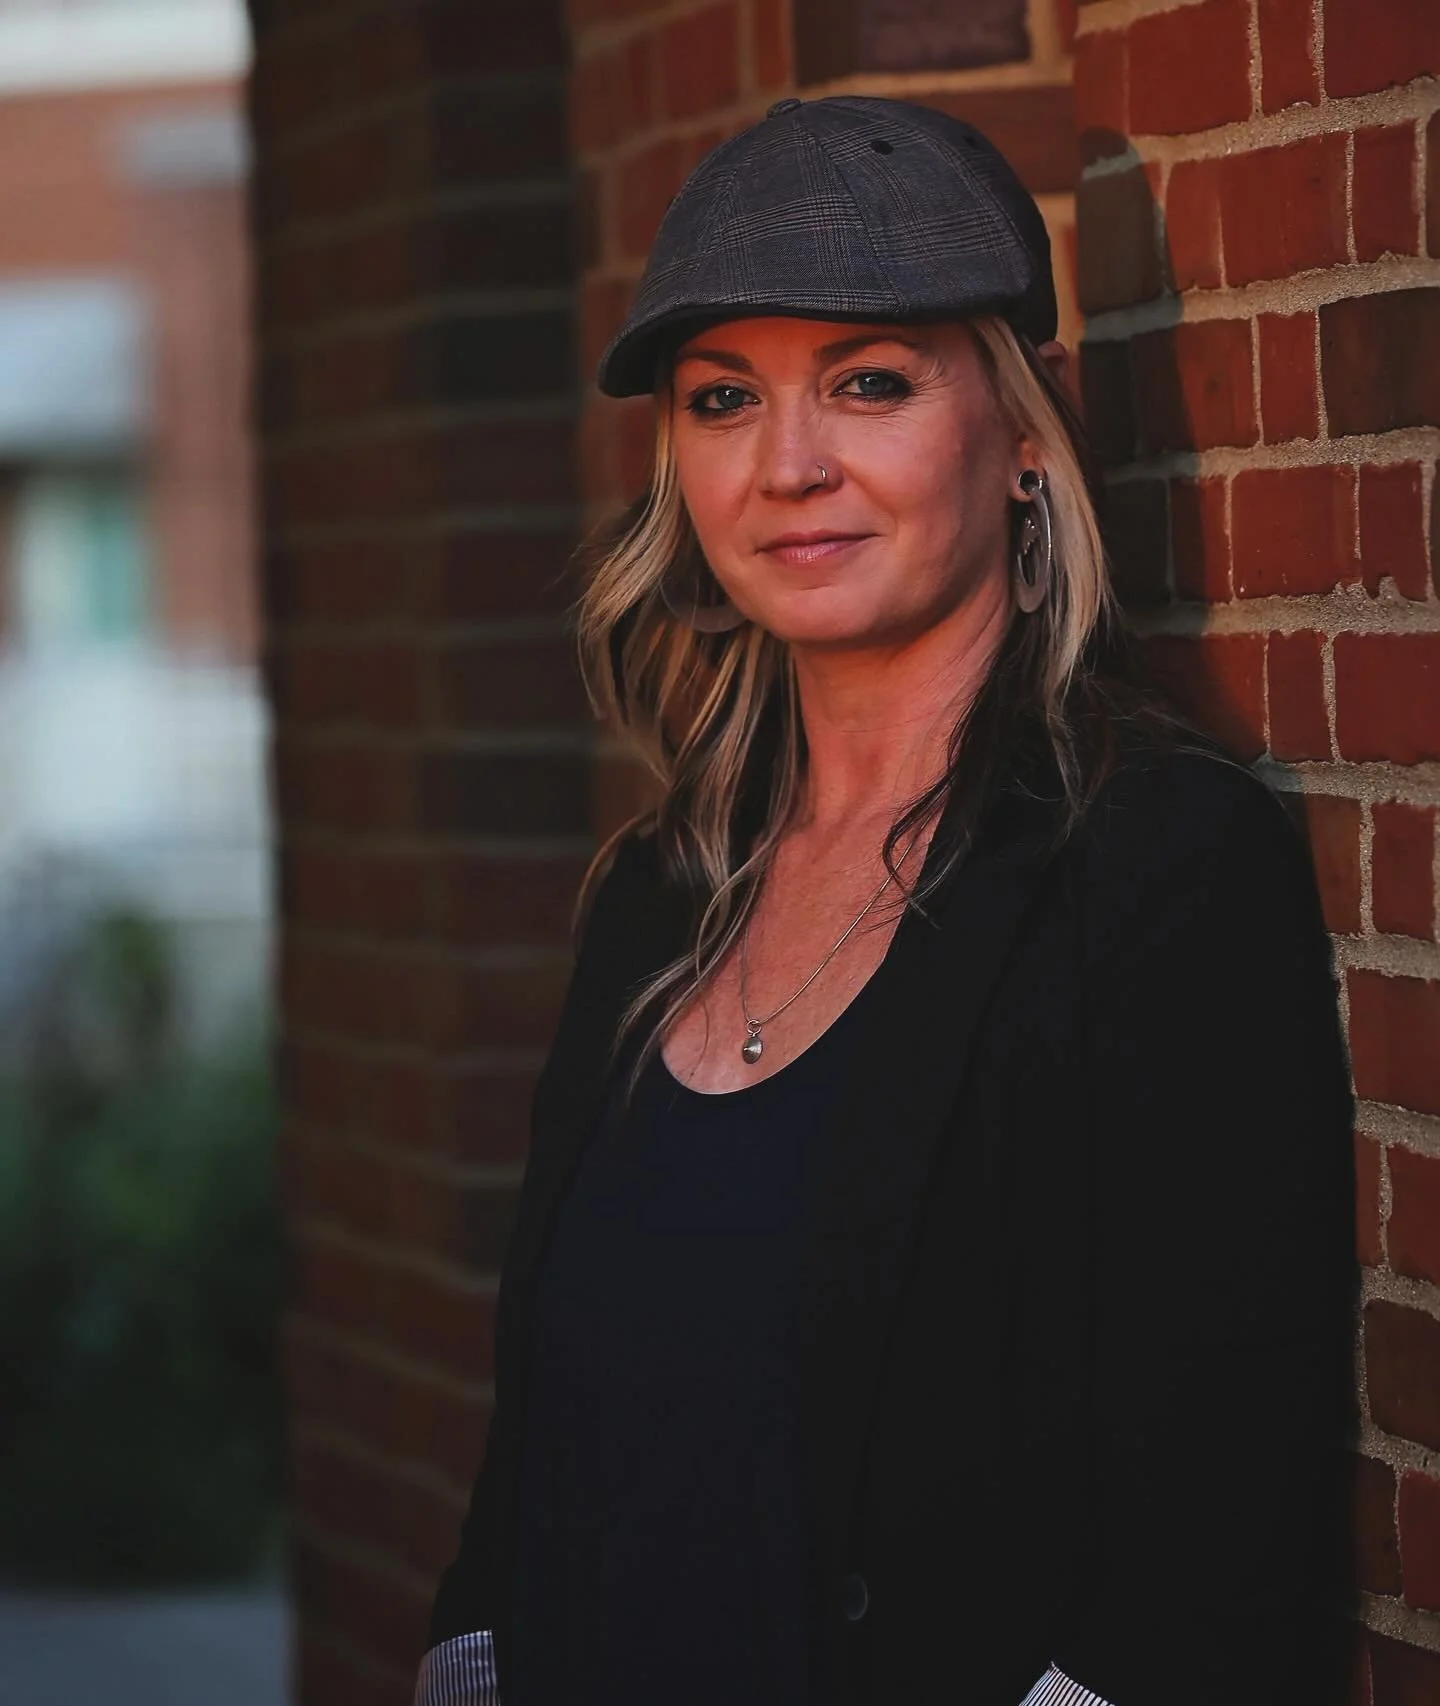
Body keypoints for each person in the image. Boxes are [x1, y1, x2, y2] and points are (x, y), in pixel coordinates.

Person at [413, 96, 1354, 1706]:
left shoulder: (1155, 870)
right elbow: (540, 1452)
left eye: (868, 382)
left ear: (1019, 434)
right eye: (726, 399)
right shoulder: (661, 892)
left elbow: (1213, 1542)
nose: (789, 465)